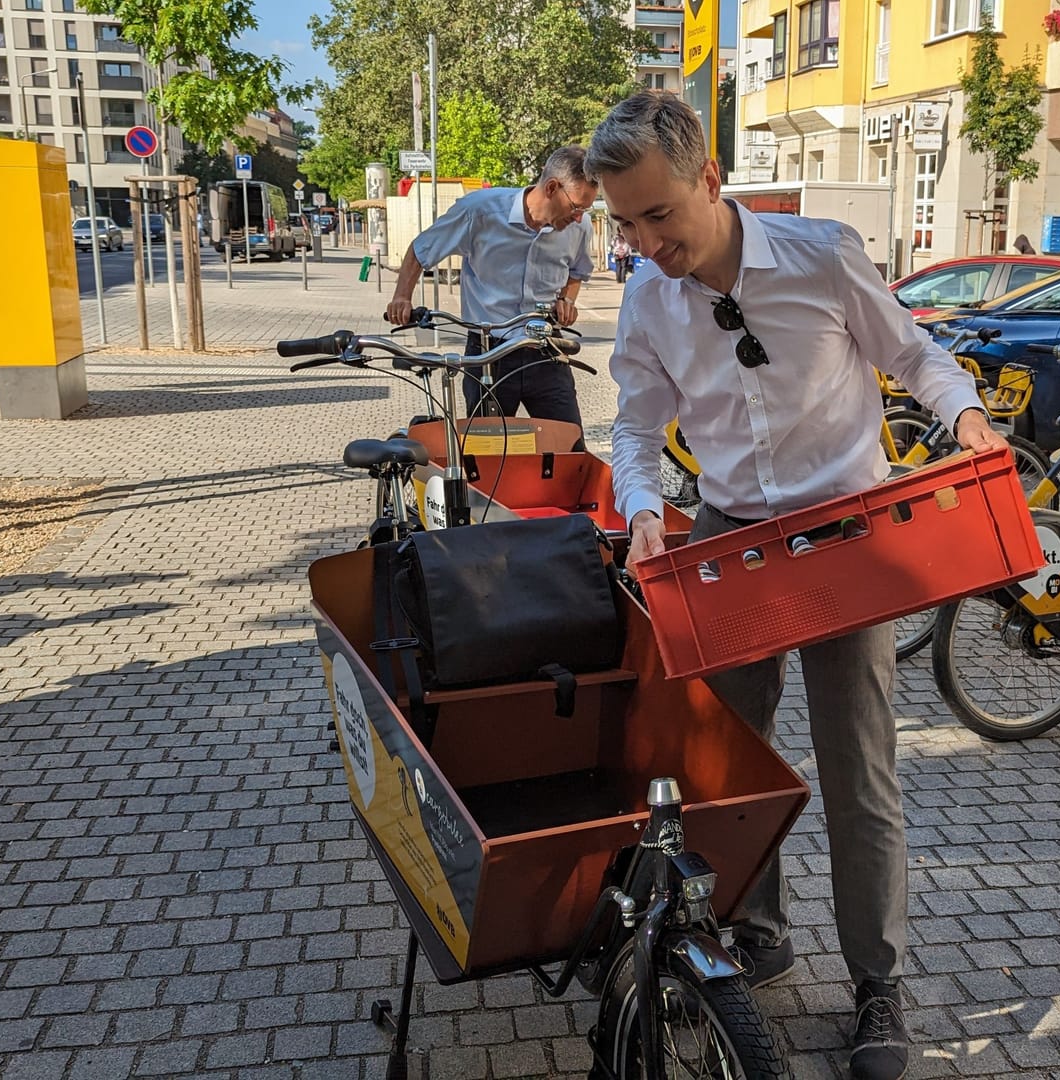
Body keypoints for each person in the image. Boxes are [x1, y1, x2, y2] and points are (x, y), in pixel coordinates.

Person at [588, 91, 1007, 1080]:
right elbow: (636, 429)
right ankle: (757, 932)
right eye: (625, 223)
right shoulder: (650, 298)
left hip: (850, 537)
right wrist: (644, 504)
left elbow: (914, 354)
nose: (646, 242)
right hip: (730, 539)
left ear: (710, 182)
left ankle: (879, 985)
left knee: (858, 770)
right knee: (732, 767)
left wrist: (967, 420)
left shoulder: (821, 254)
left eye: (660, 216)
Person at [385, 147, 596, 433]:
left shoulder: (578, 228)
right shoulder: (480, 211)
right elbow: (421, 250)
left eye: (586, 209)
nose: (579, 217)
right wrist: (402, 297)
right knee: (488, 454)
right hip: (489, 351)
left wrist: (566, 299)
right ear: (551, 188)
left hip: (547, 349)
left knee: (568, 445)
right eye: (576, 207)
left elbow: (578, 271)